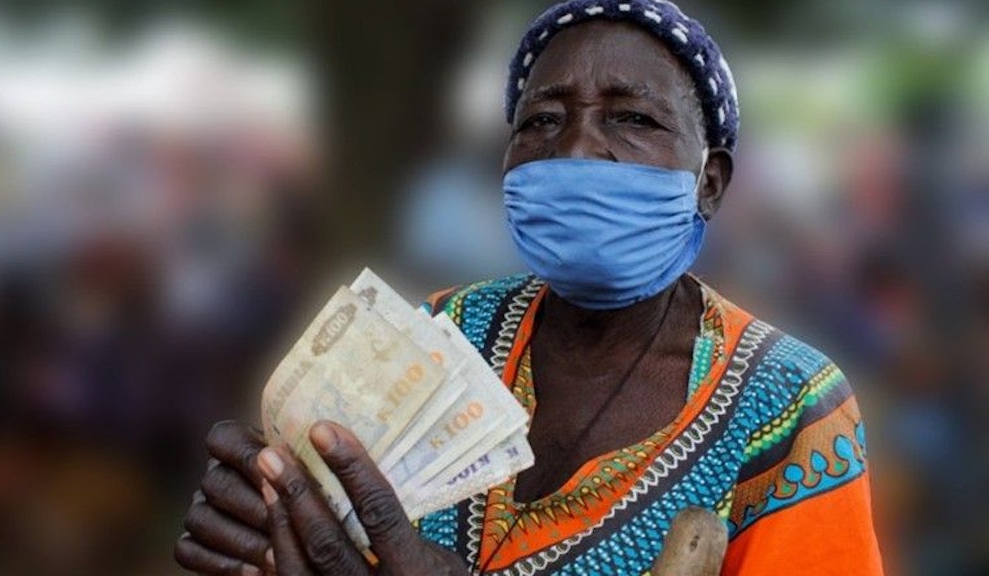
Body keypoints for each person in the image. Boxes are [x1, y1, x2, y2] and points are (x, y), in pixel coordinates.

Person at [174, 1, 884, 574]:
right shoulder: (438, 334)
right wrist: (266, 525)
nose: (575, 150)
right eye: (541, 121)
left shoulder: (788, 407)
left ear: (710, 181)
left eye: (633, 119)